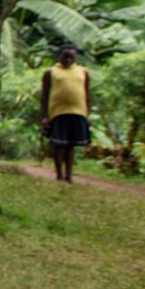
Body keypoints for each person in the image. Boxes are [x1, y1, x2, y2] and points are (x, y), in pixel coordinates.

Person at [39, 44, 91, 184]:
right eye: (65, 56)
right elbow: (44, 95)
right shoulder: (51, 72)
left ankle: (69, 175)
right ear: (59, 56)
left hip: (78, 112)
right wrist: (44, 116)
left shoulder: (83, 72)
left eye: (71, 57)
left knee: (71, 145)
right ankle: (59, 174)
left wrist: (87, 114)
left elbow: (87, 94)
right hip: (58, 112)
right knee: (58, 145)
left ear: (76, 57)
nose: (68, 59)